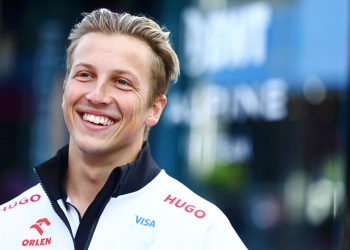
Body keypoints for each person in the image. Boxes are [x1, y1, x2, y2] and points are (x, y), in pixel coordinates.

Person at [0, 8, 247, 249]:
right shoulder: (9, 223)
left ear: (154, 108)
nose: (97, 96)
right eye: (85, 75)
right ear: (65, 88)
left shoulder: (201, 231)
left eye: (122, 82)